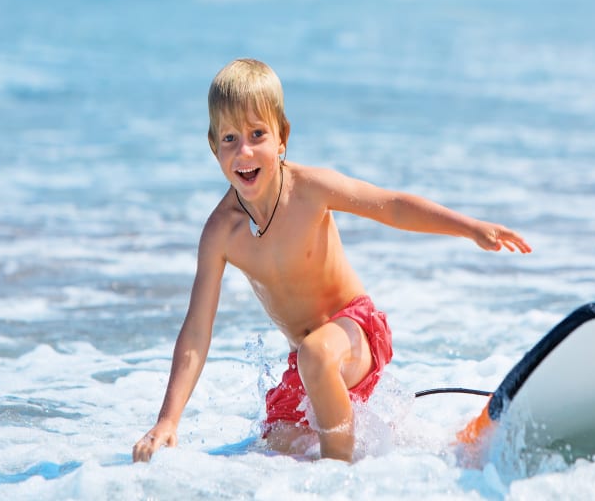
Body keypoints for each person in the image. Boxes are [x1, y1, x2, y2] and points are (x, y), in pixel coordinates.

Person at [132, 58, 531, 463]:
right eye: (230, 138)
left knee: (318, 355)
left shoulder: (309, 190)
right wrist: (168, 420)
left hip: (356, 333)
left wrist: (470, 227)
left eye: (257, 134)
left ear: (283, 136)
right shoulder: (221, 233)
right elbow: (197, 332)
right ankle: (413, 450)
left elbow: (391, 206)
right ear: (213, 145)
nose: (245, 151)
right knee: (275, 445)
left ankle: (339, 481)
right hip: (309, 365)